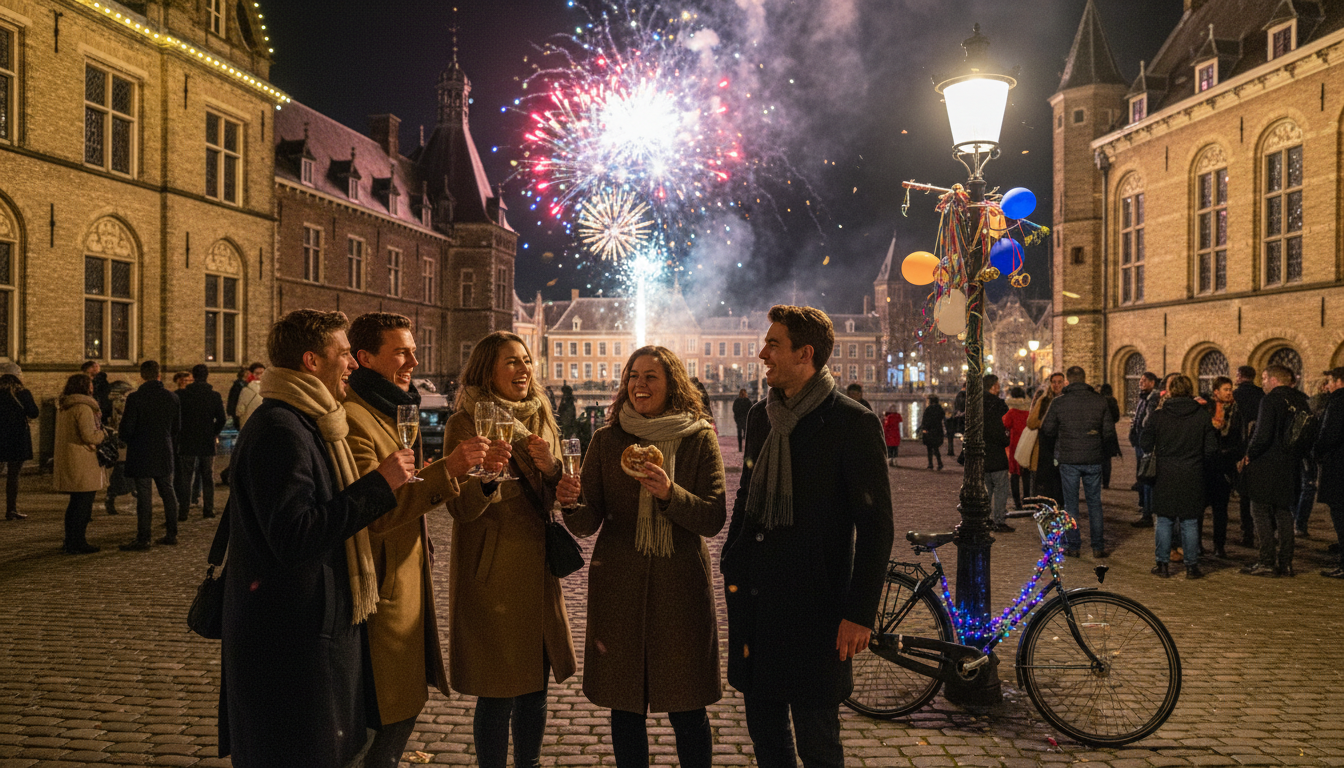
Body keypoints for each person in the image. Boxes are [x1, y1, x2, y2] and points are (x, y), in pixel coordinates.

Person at [218, 309, 415, 767]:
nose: (351, 364)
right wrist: (379, 485)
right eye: (344, 354)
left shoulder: (310, 421)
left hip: (307, 633)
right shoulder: (281, 429)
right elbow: (295, 535)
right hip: (290, 642)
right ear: (311, 360)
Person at [722, 305, 893, 768]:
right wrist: (732, 559)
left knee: (818, 742)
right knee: (766, 738)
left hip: (816, 608)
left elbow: (876, 527)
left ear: (805, 354)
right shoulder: (762, 417)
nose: (762, 354)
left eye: (773, 344)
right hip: (758, 601)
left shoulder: (852, 423)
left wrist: (859, 614)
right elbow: (747, 497)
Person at [561, 345, 725, 768]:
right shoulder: (607, 440)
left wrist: (671, 494)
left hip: (680, 588)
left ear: (672, 384)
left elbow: (712, 517)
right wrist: (569, 503)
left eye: (651, 376)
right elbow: (586, 523)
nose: (640, 384)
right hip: (620, 586)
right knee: (625, 706)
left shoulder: (699, 438)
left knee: (687, 708)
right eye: (633, 376)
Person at [341, 312, 493, 768]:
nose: (413, 359)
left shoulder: (390, 408)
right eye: (401, 351)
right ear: (364, 358)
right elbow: (373, 511)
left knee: (399, 710)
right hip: (380, 588)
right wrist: (449, 470)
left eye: (412, 349)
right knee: (384, 716)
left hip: (405, 582)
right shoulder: (354, 419)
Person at [444, 331, 577, 768]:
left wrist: (554, 469)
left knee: (536, 686)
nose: (523, 370)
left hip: (537, 570)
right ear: (488, 371)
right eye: (511, 362)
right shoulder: (464, 424)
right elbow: (460, 507)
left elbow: (554, 495)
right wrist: (486, 479)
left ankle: (530, 764)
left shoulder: (541, 416)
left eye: (526, 361)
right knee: (497, 691)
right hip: (493, 573)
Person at [1238, 364, 1312, 577]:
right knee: (1284, 512)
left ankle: (1267, 561)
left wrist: (1249, 455)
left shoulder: (1270, 400)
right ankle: (1286, 562)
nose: (1262, 383)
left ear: (1274, 380)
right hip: (1290, 464)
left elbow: (1262, 435)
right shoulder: (1301, 401)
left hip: (1267, 463)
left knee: (1259, 510)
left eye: (1264, 378)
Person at [1141, 374, 1217, 579]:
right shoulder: (1201, 416)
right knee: (1190, 521)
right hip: (1192, 472)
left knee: (1164, 520)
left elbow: (1145, 443)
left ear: (1171, 391)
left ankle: (1163, 564)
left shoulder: (1159, 415)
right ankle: (1192, 566)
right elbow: (1211, 448)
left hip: (1165, 473)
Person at [1041, 366, 1116, 558]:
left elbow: (1047, 429)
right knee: (1094, 503)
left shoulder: (1059, 403)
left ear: (1068, 381)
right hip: (1092, 457)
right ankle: (1098, 546)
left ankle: (1074, 545)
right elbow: (1108, 432)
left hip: (1069, 458)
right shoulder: (1099, 401)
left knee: (1071, 504)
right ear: (1084, 379)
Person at [118, 360, 180, 550]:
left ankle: (143, 537)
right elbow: (177, 428)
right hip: (163, 449)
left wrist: (126, 438)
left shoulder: (135, 398)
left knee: (144, 496)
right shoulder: (172, 398)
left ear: (142, 376)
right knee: (168, 492)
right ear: (159, 374)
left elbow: (127, 428)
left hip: (141, 450)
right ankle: (171, 533)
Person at [54, 373, 106, 553]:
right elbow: (88, 436)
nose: (93, 387)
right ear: (85, 387)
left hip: (71, 459)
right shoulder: (83, 408)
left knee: (75, 504)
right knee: (83, 504)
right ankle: (78, 542)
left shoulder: (66, 406)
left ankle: (70, 540)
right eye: (90, 384)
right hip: (83, 460)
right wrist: (104, 434)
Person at [175, 364, 226, 520]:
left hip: (187, 439)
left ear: (193, 376)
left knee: (186, 477)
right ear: (207, 376)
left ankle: (183, 511)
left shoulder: (183, 395)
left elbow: (177, 418)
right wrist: (213, 431)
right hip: (206, 439)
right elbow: (222, 419)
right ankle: (208, 509)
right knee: (207, 476)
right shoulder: (214, 396)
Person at [1204, 376, 1246, 559]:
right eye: (1226, 389)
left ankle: (1219, 546)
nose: (1230, 392)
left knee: (1221, 509)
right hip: (1206, 465)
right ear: (1216, 392)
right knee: (1200, 507)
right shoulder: (1207, 409)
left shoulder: (1237, 410)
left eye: (1230, 389)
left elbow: (1240, 437)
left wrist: (1235, 456)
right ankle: (1196, 545)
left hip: (1225, 466)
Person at [1313, 367, 1344, 578]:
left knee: (1340, 514)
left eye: (1331, 381)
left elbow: (1330, 433)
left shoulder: (1338, 401)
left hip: (1339, 467)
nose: (1328, 385)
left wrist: (1316, 450)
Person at [1232, 365, 1264, 546]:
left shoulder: (1235, 396)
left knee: (1244, 492)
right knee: (1256, 492)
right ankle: (1263, 530)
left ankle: (1247, 533)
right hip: (1257, 448)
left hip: (1239, 449)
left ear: (1239, 376)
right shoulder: (1261, 396)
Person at [0, 373, 39, 520]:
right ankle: (11, 509)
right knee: (13, 475)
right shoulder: (22, 393)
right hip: (17, 438)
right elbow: (34, 413)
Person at [1026, 373, 1066, 506]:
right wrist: (1044, 423)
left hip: (1063, 446)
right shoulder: (1043, 400)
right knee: (1045, 479)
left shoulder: (1067, 400)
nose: (1056, 385)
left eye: (1059, 382)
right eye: (1053, 382)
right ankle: (1045, 506)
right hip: (1045, 446)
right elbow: (1031, 422)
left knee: (1060, 479)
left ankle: (1059, 506)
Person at [1127, 371, 1160, 527]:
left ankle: (1148, 512)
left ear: (1152, 382)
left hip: (1146, 443)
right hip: (1140, 441)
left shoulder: (1153, 398)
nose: (1141, 382)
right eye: (1140, 380)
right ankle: (1145, 507)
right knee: (1142, 476)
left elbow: (1148, 421)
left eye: (1144, 380)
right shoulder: (1144, 397)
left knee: (1146, 477)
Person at [982, 374, 1013, 532]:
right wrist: (1005, 440)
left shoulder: (977, 404)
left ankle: (985, 519)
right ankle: (999, 520)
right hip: (997, 452)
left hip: (982, 453)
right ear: (994, 387)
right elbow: (1004, 429)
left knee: (986, 488)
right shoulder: (999, 405)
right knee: (1001, 488)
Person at [102, 378, 135, 516]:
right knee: (124, 469)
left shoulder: (107, 403)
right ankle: (114, 495)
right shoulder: (120, 403)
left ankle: (114, 495)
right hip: (123, 440)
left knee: (124, 468)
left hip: (118, 439)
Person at [1003, 386, 1031, 510]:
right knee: (1026, 475)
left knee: (1014, 475)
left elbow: (1005, 424)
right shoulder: (1029, 410)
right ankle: (1027, 500)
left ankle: (1017, 503)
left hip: (1015, 444)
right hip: (1027, 443)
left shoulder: (1012, 411)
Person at [1098, 383, 1122, 489]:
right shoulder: (1112, 401)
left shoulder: (1097, 401)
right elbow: (1116, 417)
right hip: (1109, 433)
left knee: (1097, 458)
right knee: (1107, 459)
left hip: (1098, 432)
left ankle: (1097, 481)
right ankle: (1106, 482)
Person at [233, 362, 266, 429]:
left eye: (262, 373)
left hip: (249, 427)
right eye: (257, 373)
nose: (259, 376)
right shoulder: (270, 390)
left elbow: (239, 411)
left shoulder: (245, 390)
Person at [919, 395, 945, 470]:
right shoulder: (940, 409)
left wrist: (924, 429)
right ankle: (939, 463)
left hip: (930, 430)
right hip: (938, 430)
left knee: (929, 448)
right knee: (936, 448)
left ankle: (930, 464)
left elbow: (925, 420)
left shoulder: (928, 409)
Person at [948, 383, 966, 457]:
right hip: (961, 417)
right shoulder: (963, 394)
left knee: (952, 435)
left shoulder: (959, 394)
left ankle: (951, 450)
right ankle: (963, 453)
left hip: (958, 416)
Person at [733, 387, 752, 452]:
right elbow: (751, 410)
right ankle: (747, 448)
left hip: (739, 419)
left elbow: (734, 409)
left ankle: (740, 448)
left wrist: (736, 417)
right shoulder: (748, 401)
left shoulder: (737, 401)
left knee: (739, 433)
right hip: (746, 419)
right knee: (746, 433)